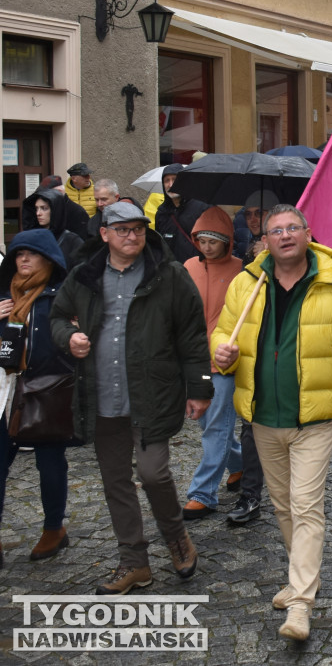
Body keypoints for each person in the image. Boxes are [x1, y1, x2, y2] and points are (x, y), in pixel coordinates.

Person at [212, 204, 332, 641]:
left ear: (307, 234)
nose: (284, 236)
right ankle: (299, 578)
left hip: (315, 418)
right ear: (264, 240)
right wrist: (221, 354)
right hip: (263, 416)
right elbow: (223, 335)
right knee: (284, 505)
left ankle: (301, 603)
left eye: (292, 228)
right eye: (275, 230)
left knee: (305, 505)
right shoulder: (247, 284)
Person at [50, 202, 213, 594]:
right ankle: (134, 561)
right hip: (102, 395)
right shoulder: (84, 275)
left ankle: (176, 538)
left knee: (154, 472)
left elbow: (193, 336)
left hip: (153, 393)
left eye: (138, 229)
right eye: (122, 229)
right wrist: (68, 338)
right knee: (115, 480)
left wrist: (201, 388)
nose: (131, 236)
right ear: (104, 234)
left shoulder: (169, 274)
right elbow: (57, 317)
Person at [0, 230, 76, 567]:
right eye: (18, 254)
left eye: (31, 254)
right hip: (5, 393)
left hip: (45, 393)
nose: (24, 260)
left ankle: (53, 528)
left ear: (48, 258)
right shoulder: (5, 296)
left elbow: (67, 348)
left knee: (49, 463)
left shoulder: (58, 298)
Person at [181, 207, 244, 520]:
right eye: (202, 240)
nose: (206, 246)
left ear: (226, 242)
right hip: (193, 360)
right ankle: (240, 464)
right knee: (210, 426)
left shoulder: (242, 270)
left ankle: (203, 494)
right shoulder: (189, 266)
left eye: (213, 241)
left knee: (216, 428)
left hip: (225, 361)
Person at [155, 164, 209, 264]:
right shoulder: (161, 213)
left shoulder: (202, 208)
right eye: (167, 181)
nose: (170, 185)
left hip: (197, 270)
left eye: (174, 179)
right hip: (171, 273)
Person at [22, 188, 88, 269]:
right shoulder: (30, 238)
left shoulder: (72, 241)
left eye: (44, 208)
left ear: (55, 210)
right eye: (36, 208)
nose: (38, 213)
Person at [233, 190, 279, 262]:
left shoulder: (284, 243)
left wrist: (269, 254)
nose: (253, 220)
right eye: (248, 214)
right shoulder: (251, 244)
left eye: (259, 213)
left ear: (272, 214)